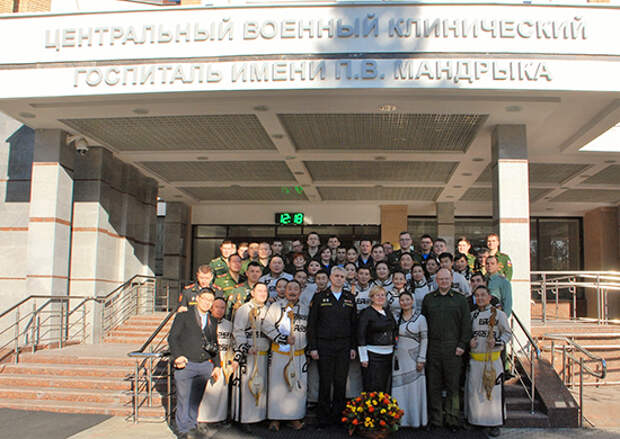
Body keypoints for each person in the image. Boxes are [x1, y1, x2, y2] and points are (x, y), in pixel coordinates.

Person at [307, 266, 357, 428]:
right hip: (324, 345)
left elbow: (353, 324)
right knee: (325, 381)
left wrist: (353, 347)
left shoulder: (350, 298)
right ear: (330, 277)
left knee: (341, 381)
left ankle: (339, 416)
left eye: (342, 277)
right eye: (336, 276)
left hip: (343, 345)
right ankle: (323, 418)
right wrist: (313, 347)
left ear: (345, 279)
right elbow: (312, 324)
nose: (339, 279)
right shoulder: (320, 297)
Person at [422, 268, 471, 431]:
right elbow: (423, 324)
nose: (443, 281)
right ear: (436, 280)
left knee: (452, 385)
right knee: (433, 384)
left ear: (451, 280)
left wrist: (462, 345)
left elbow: (466, 324)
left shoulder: (460, 300)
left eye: (446, 279)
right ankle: (436, 419)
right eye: (440, 279)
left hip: (453, 347)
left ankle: (452, 419)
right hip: (433, 347)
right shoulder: (429, 299)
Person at [168, 288, 221, 439]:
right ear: (197, 298)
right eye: (204, 299)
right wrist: (177, 356)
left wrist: (217, 365)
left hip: (204, 365)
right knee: (183, 398)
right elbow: (173, 338)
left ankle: (191, 425)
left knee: (195, 399)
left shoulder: (212, 320)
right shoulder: (184, 316)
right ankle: (183, 429)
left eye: (210, 300)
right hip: (186, 363)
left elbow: (214, 344)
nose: (207, 303)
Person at [466, 285, 512, 437]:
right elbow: (467, 334)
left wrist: (498, 341)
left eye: (483, 295)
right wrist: (469, 342)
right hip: (475, 360)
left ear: (489, 297)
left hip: (492, 361)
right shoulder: (471, 315)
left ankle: (494, 423)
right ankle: (476, 420)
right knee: (475, 391)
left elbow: (507, 333)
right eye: (477, 295)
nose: (480, 298)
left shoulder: (498, 315)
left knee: (492, 393)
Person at [263, 280, 308, 432]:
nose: (292, 292)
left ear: (300, 292)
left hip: (298, 353)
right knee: (278, 386)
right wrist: (282, 338)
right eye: (290, 288)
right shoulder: (276, 307)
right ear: (284, 291)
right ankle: (275, 419)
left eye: (296, 289)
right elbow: (267, 326)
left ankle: (295, 417)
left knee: (297, 387)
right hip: (279, 352)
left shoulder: (306, 308)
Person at [231, 283, 270, 431]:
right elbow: (238, 331)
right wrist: (245, 347)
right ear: (253, 293)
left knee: (260, 385)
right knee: (246, 385)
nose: (263, 293)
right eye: (259, 291)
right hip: (249, 352)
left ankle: (258, 416)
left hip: (263, 352)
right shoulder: (244, 309)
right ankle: (243, 418)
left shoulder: (267, 310)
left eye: (265, 291)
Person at [392, 291, 428, 428]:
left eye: (408, 299)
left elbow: (425, 339)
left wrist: (421, 358)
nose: (405, 302)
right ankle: (401, 420)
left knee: (414, 390)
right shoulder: (396, 318)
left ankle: (415, 420)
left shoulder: (421, 319)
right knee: (399, 390)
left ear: (412, 301)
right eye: (402, 300)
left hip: (415, 359)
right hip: (398, 360)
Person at [197, 297, 233, 426]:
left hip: (224, 363)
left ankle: (220, 418)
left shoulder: (229, 325)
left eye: (222, 308)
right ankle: (202, 419)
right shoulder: (203, 323)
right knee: (207, 392)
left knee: (221, 393)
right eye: (217, 307)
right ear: (211, 307)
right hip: (208, 362)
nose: (220, 310)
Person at [357, 286, 397, 393]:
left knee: (385, 385)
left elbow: (394, 329)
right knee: (372, 385)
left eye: (382, 295)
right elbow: (361, 334)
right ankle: (372, 409)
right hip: (373, 354)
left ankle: (385, 409)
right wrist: (363, 356)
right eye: (377, 295)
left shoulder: (387, 312)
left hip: (388, 353)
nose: (380, 297)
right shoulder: (366, 313)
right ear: (372, 297)